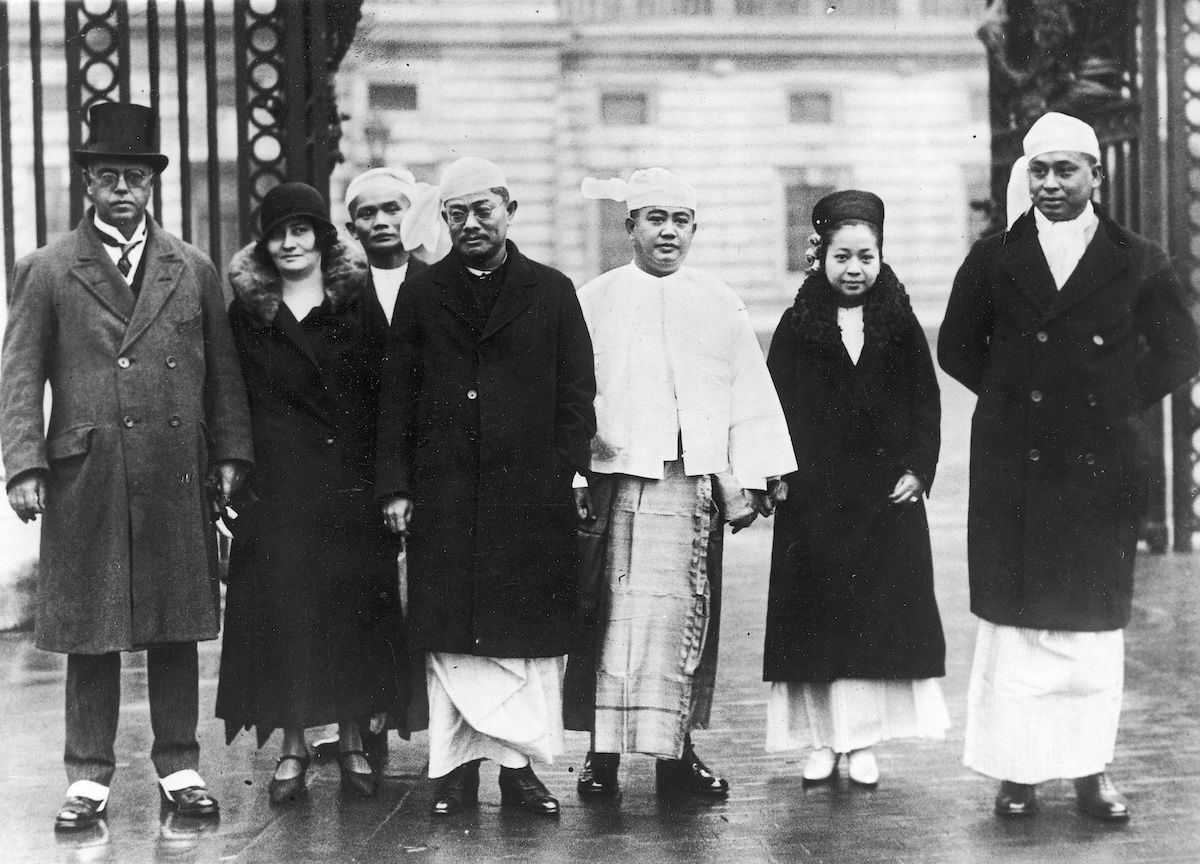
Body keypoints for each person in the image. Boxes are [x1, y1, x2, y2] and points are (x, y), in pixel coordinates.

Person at [938, 112, 1200, 821]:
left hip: (1098, 466)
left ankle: (1091, 770)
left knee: (1090, 629)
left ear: (1096, 175)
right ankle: (1015, 773)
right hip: (1014, 467)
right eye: (1040, 171)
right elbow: (957, 347)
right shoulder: (994, 256)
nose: (1050, 184)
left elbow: (1180, 348)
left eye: (1065, 170)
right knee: (1016, 630)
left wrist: (1111, 405)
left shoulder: (1139, 257)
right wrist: (1015, 402)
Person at [0, 102, 253, 830]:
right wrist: (24, 465)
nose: (121, 189)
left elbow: (222, 374)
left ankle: (179, 763)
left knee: (175, 623)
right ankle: (87, 777)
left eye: (134, 176)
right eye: (107, 175)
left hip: (176, 467)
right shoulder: (47, 270)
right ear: (87, 184)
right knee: (91, 626)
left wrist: (231, 452)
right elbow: (21, 376)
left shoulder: (193, 266)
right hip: (90, 471)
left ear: (151, 185)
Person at [564, 168, 796, 800]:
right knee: (609, 617)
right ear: (630, 226)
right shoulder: (595, 299)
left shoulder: (717, 298)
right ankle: (601, 756)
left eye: (680, 220)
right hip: (617, 478)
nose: (668, 232)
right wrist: (576, 472)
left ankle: (676, 755)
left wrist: (754, 472)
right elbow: (573, 395)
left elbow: (747, 388)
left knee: (685, 619)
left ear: (695, 229)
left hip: (690, 484)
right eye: (654, 219)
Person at [376, 157, 596, 818]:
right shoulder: (422, 294)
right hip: (443, 496)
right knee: (451, 641)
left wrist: (560, 468)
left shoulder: (552, 291)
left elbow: (577, 395)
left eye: (483, 211)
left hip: (528, 498)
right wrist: (396, 486)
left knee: (524, 645)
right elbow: (395, 397)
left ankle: (521, 773)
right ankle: (453, 773)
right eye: (456, 214)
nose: (471, 224)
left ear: (508, 210)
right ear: (442, 220)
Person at [215, 182, 403, 803]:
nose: (291, 242)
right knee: (285, 617)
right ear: (264, 243)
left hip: (349, 486)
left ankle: (352, 741)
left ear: (323, 236)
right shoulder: (248, 310)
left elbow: (387, 392)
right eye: (278, 232)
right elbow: (229, 394)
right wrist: (237, 470)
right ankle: (294, 746)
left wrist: (388, 483)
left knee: (350, 616)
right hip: (279, 489)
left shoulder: (356, 299)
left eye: (303, 229)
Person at [761, 190, 948, 788]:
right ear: (821, 257)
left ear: (880, 257)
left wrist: (918, 468)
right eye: (842, 257)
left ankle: (862, 742)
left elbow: (926, 401)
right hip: (814, 499)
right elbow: (774, 403)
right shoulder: (798, 323)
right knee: (817, 623)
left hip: (881, 501)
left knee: (874, 622)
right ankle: (823, 740)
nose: (854, 270)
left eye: (866, 257)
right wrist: (776, 474)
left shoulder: (899, 320)